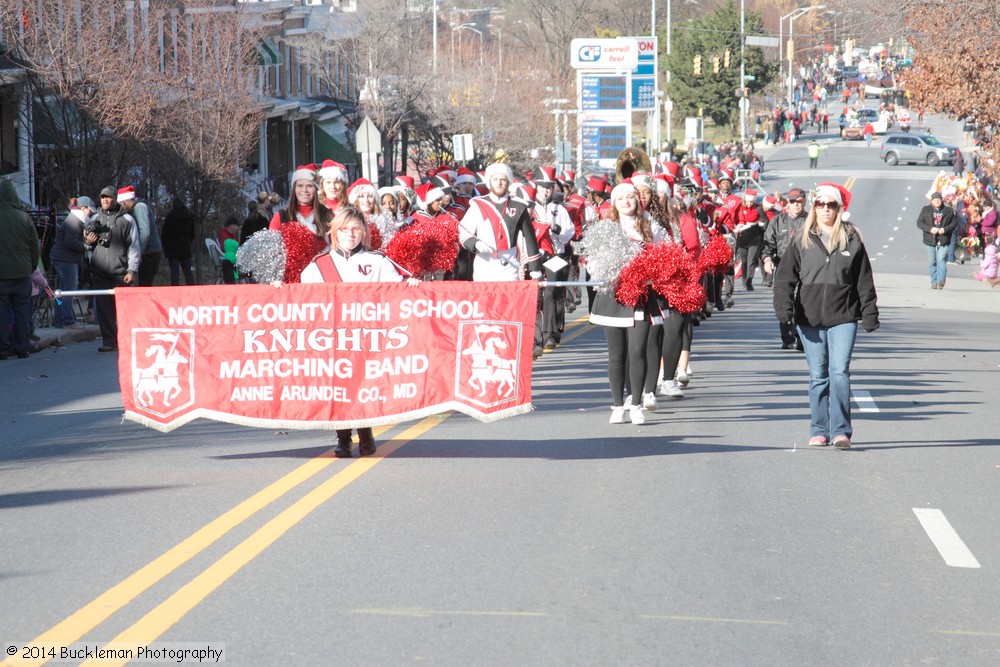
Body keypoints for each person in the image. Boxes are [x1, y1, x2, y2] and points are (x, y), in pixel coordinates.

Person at [300, 206, 419, 458]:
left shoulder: (377, 261)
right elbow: (301, 300)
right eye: (345, 229)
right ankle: (343, 438)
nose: (351, 234)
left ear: (364, 231)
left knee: (363, 386)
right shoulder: (318, 266)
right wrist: (277, 290)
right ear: (335, 231)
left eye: (356, 228)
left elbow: (395, 294)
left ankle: (366, 432)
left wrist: (411, 285)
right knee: (338, 387)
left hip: (367, 335)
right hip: (332, 337)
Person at [773, 183, 879, 449]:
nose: (825, 209)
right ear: (814, 207)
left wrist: (869, 312)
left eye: (830, 205)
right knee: (818, 375)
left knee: (839, 373)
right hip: (809, 318)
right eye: (820, 204)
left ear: (839, 208)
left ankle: (841, 431)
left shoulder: (852, 239)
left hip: (843, 316)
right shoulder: (802, 238)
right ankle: (819, 429)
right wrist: (784, 311)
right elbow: (784, 278)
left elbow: (864, 280)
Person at [586, 181, 663, 425]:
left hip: (641, 294)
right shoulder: (606, 228)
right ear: (614, 204)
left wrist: (651, 273)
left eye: (631, 197)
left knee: (637, 350)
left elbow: (664, 257)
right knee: (616, 355)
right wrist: (611, 271)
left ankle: (636, 404)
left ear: (638, 201)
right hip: (614, 295)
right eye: (621, 199)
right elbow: (592, 264)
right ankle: (618, 406)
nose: (626, 202)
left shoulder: (651, 225)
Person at [458, 162, 542, 282]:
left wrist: (535, 268)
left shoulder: (519, 206)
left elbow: (530, 237)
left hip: (510, 265)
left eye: (503, 179)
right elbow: (463, 231)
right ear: (489, 181)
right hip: (484, 263)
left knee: (508, 299)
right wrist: (475, 244)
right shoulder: (478, 204)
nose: (499, 183)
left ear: (508, 182)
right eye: (495, 179)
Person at [84, 186, 140, 352]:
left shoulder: (127, 220)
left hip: (120, 272)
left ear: (115, 199)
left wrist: (132, 270)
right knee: (104, 309)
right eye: (102, 198)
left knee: (123, 310)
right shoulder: (94, 219)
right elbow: (87, 247)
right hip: (100, 272)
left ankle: (125, 339)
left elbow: (134, 247)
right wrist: (89, 243)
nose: (105, 200)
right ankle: (109, 341)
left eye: (108, 197)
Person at [269, 164, 333, 284]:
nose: (304, 190)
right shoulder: (281, 216)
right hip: (288, 280)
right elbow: (271, 251)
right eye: (300, 186)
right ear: (294, 189)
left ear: (316, 188)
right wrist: (276, 278)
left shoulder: (328, 215)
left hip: (320, 278)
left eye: (309, 186)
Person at [761, 187, 808, 349]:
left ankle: (802, 337)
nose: (796, 205)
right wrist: (767, 259)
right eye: (793, 202)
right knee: (784, 302)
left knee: (803, 302)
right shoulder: (777, 220)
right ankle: (787, 336)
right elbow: (767, 243)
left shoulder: (811, 221)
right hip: (783, 266)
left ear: (805, 202)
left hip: (806, 268)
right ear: (788, 202)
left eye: (799, 202)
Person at [0, 180, 40, 360]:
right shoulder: (24, 217)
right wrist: (30, 266)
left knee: (2, 311)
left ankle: (3, 347)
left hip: (2, 274)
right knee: (22, 310)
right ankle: (22, 346)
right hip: (22, 271)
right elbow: (34, 246)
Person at [50, 195, 97, 328]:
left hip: (60, 258)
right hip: (66, 259)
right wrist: (86, 245)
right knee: (68, 290)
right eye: (89, 210)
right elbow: (71, 242)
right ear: (83, 208)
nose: (91, 213)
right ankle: (68, 320)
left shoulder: (72, 219)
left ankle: (58, 319)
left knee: (61, 292)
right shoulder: (74, 221)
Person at [117, 186, 162, 287]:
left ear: (124, 202)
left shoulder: (140, 207)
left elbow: (145, 232)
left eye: (120, 205)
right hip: (146, 252)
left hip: (148, 253)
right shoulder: (136, 209)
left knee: (144, 285)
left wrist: (138, 253)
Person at [916, 191, 957, 289]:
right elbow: (919, 223)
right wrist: (930, 229)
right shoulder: (926, 210)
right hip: (930, 239)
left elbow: (954, 223)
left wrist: (945, 229)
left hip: (944, 238)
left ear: (941, 200)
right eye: (935, 200)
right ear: (931, 201)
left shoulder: (948, 210)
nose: (937, 201)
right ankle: (934, 282)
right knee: (932, 261)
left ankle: (941, 280)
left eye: (939, 200)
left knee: (941, 259)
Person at [733, 190, 766, 291]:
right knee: (744, 260)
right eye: (748, 201)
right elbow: (733, 219)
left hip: (754, 237)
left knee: (751, 260)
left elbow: (766, 220)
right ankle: (744, 279)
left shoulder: (758, 208)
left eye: (752, 202)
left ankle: (749, 281)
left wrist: (762, 229)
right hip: (743, 236)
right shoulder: (740, 207)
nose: (750, 203)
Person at [160, 197, 197, 286]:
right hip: (185, 247)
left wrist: (166, 246)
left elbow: (165, 234)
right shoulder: (189, 217)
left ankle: (174, 292)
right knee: (188, 272)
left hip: (172, 248)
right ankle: (193, 289)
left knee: (174, 273)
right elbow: (192, 234)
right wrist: (187, 242)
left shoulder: (170, 217)